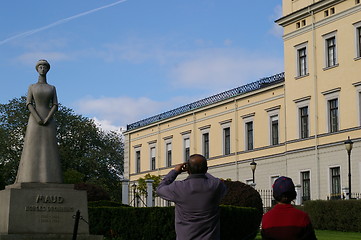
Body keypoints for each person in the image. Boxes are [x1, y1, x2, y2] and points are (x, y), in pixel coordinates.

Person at [156, 154, 227, 240]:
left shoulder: (178, 187)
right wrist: (203, 171)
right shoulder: (215, 185)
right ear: (206, 169)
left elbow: (160, 189)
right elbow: (221, 185)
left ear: (188, 170)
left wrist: (175, 171)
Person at [15, 59, 62, 183]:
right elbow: (29, 103)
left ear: (47, 70)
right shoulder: (32, 87)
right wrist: (37, 117)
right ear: (37, 69)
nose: (42, 69)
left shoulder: (52, 88)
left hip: (49, 120)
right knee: (32, 147)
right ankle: (29, 178)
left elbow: (55, 104)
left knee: (49, 147)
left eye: (44, 67)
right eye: (40, 67)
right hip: (35, 120)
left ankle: (51, 179)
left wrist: (48, 118)